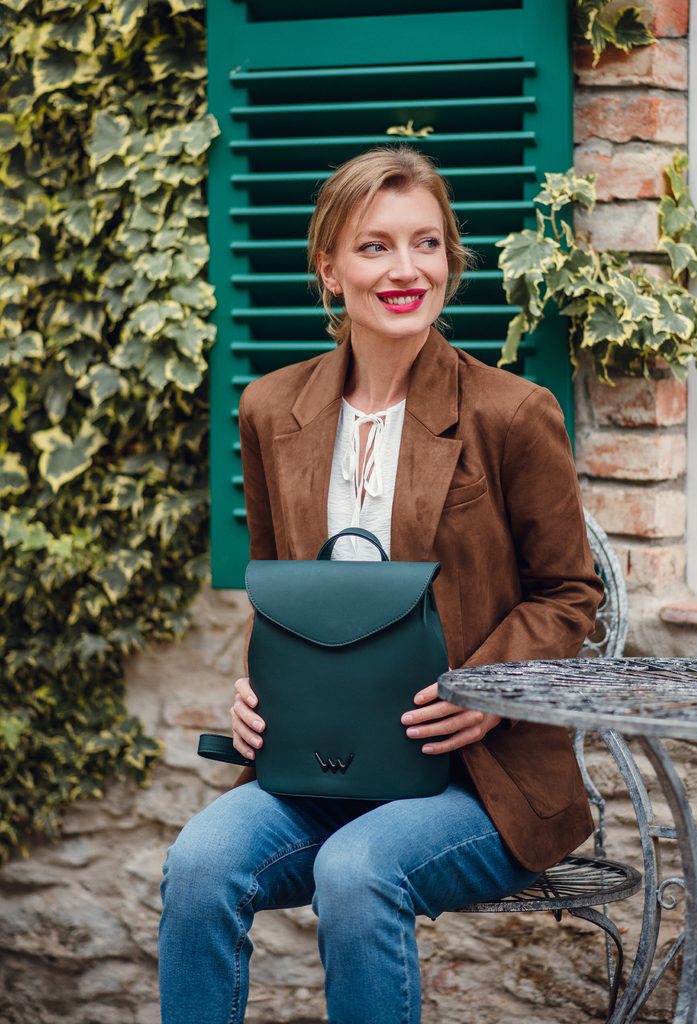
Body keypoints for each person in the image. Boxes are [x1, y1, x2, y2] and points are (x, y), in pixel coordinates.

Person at [158, 146, 604, 1024]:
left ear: (450, 258)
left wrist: (487, 693)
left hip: (477, 778)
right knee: (201, 865)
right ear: (329, 268)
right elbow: (282, 596)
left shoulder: (514, 413)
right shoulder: (269, 409)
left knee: (355, 870)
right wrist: (256, 689)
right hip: (315, 768)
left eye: (427, 243)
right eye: (376, 247)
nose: (408, 270)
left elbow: (568, 592)